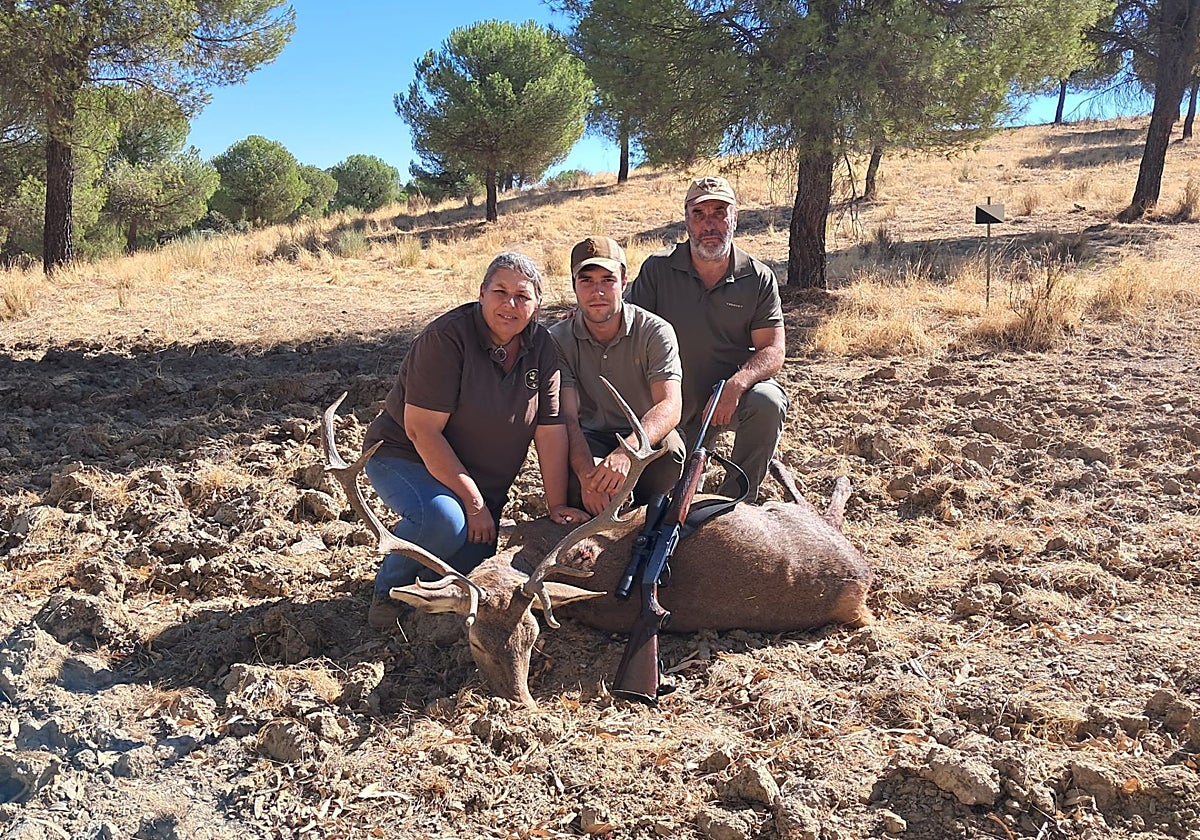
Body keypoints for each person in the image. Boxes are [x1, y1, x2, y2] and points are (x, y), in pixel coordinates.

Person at [361, 252, 589, 629]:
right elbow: (422, 430)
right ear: (481, 294)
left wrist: (557, 503)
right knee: (444, 520)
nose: (510, 303)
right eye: (499, 291)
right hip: (408, 457)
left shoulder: (543, 349)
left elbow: (550, 431)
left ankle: (423, 596)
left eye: (523, 295)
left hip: (478, 478)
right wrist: (472, 500)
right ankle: (389, 593)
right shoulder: (446, 339)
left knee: (468, 573)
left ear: (537, 305)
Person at [626, 176, 787, 501]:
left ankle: (735, 504)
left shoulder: (757, 278)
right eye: (699, 214)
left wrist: (737, 383)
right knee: (666, 505)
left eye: (719, 212)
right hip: (667, 406)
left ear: (735, 217)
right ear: (687, 220)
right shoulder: (657, 271)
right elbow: (627, 328)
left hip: (725, 401)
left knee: (768, 402)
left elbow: (773, 348)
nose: (709, 224)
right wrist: (585, 314)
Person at [549, 236, 685, 515]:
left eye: (607, 280)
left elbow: (670, 406)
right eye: (586, 281)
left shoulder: (656, 331)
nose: (597, 291)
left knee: (671, 455)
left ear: (624, 282)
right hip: (590, 438)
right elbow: (567, 416)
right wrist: (588, 475)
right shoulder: (557, 339)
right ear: (574, 285)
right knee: (577, 482)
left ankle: (644, 513)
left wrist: (627, 453)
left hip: (643, 434)